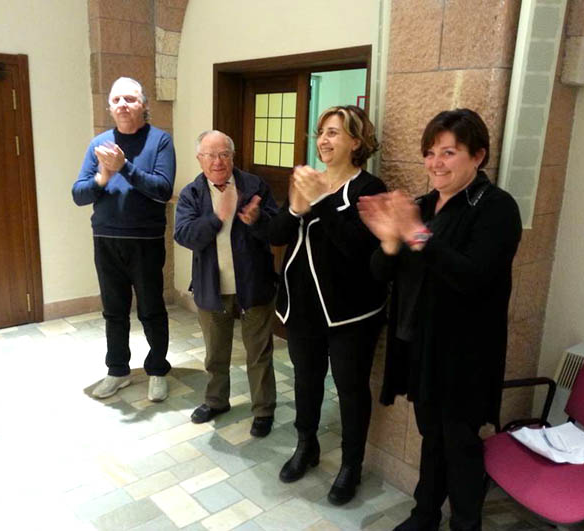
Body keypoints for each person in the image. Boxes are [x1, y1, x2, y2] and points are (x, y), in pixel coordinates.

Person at [358, 108, 522, 531]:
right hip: (421, 345)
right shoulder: (425, 205)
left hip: (465, 355)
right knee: (432, 437)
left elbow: (473, 276)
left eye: (449, 152)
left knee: (461, 446)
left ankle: (465, 524)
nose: (436, 163)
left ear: (478, 156)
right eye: (430, 153)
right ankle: (425, 514)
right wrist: (389, 240)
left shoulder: (496, 207)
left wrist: (415, 234)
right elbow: (379, 271)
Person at [269, 105, 387, 505]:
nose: (323, 140)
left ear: (356, 141)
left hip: (351, 312)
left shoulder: (370, 188)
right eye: (321, 132)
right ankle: (307, 445)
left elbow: (359, 249)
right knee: (306, 380)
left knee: (351, 389)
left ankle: (351, 464)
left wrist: (321, 200)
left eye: (334, 132)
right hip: (301, 307)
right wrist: (294, 208)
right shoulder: (308, 179)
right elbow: (278, 235)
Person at [72, 77, 175, 401]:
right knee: (114, 311)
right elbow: (78, 194)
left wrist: (124, 167)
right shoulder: (99, 143)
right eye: (116, 100)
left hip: (145, 240)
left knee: (151, 309)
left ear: (144, 105)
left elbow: (163, 189)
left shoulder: (160, 140)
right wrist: (103, 177)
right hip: (105, 238)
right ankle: (118, 370)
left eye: (130, 99)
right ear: (109, 107)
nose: (122, 105)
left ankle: (157, 369)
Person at [174, 130, 278, 437]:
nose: (217, 161)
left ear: (233, 157)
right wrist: (217, 217)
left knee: (259, 353)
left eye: (224, 154)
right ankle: (216, 401)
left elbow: (276, 230)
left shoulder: (254, 186)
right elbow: (185, 235)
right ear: (200, 159)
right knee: (215, 353)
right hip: (211, 287)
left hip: (254, 285)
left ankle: (263, 410)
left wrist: (257, 219)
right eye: (210, 155)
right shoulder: (192, 193)